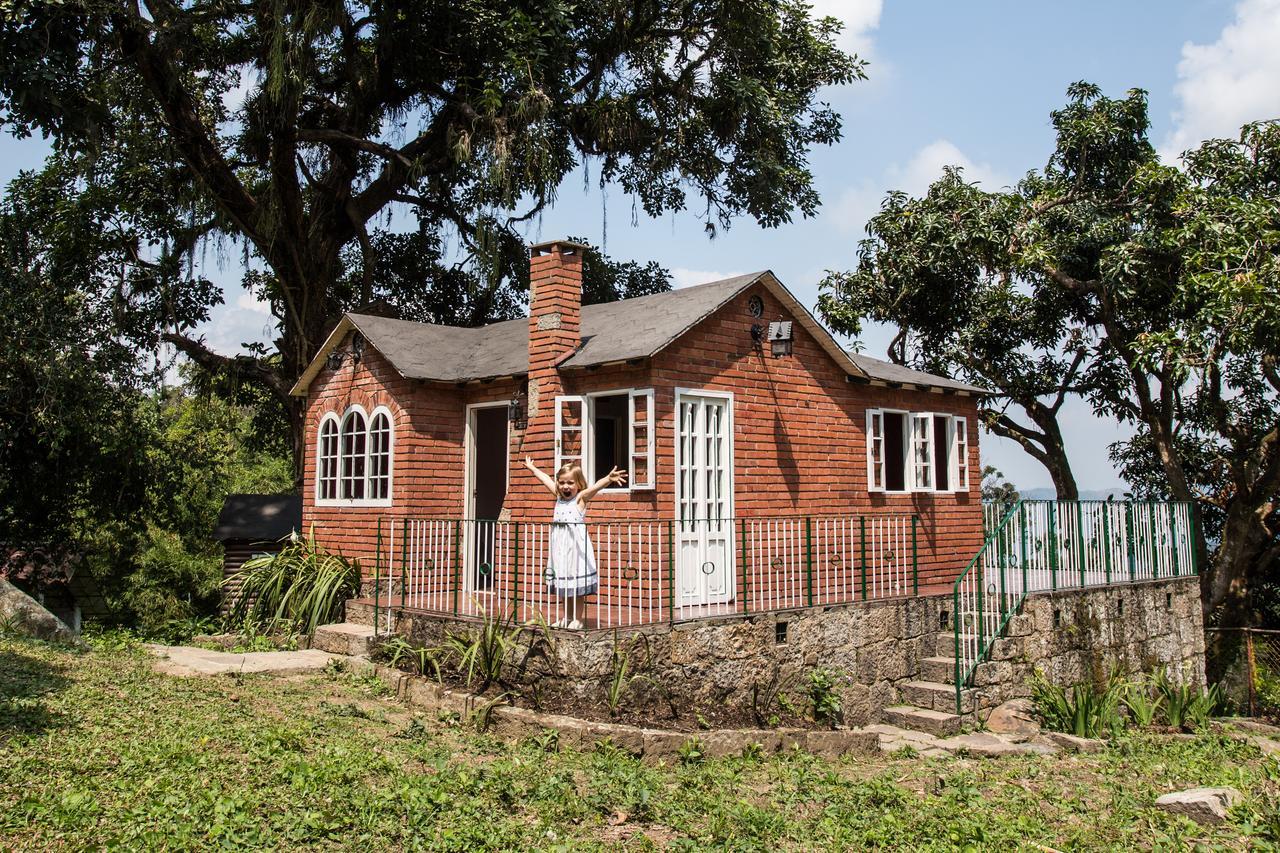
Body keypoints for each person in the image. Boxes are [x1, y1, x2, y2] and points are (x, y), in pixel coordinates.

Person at [523, 457, 627, 629]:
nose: (565, 486)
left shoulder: (580, 499)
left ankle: (577, 619)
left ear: (578, 484)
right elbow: (546, 479)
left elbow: (594, 489)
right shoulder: (558, 496)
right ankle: (567, 617)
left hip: (576, 549)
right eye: (562, 482)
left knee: (576, 586)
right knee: (564, 584)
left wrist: (608, 479)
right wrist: (533, 468)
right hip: (560, 549)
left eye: (570, 483)